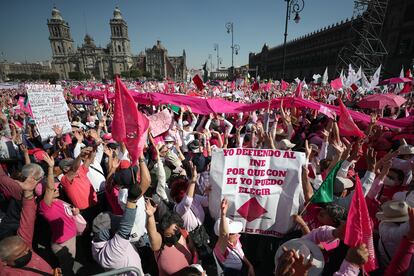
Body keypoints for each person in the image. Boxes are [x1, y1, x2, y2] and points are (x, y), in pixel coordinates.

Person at [0, 171, 55, 275]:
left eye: (26, 249)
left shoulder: (24, 244)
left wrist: (28, 194)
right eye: (20, 254)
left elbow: (27, 221)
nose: (27, 252)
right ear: (4, 261)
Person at [145, 202, 197, 276]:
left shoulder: (184, 233)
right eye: (168, 235)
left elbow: (192, 248)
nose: (172, 236)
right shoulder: (160, 242)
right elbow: (152, 234)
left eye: (175, 232)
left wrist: (195, 261)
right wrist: (150, 216)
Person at [214, 198, 255, 276]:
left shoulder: (236, 240)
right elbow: (224, 234)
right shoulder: (221, 248)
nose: (238, 234)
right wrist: (223, 214)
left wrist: (250, 266)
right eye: (234, 232)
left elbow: (240, 254)